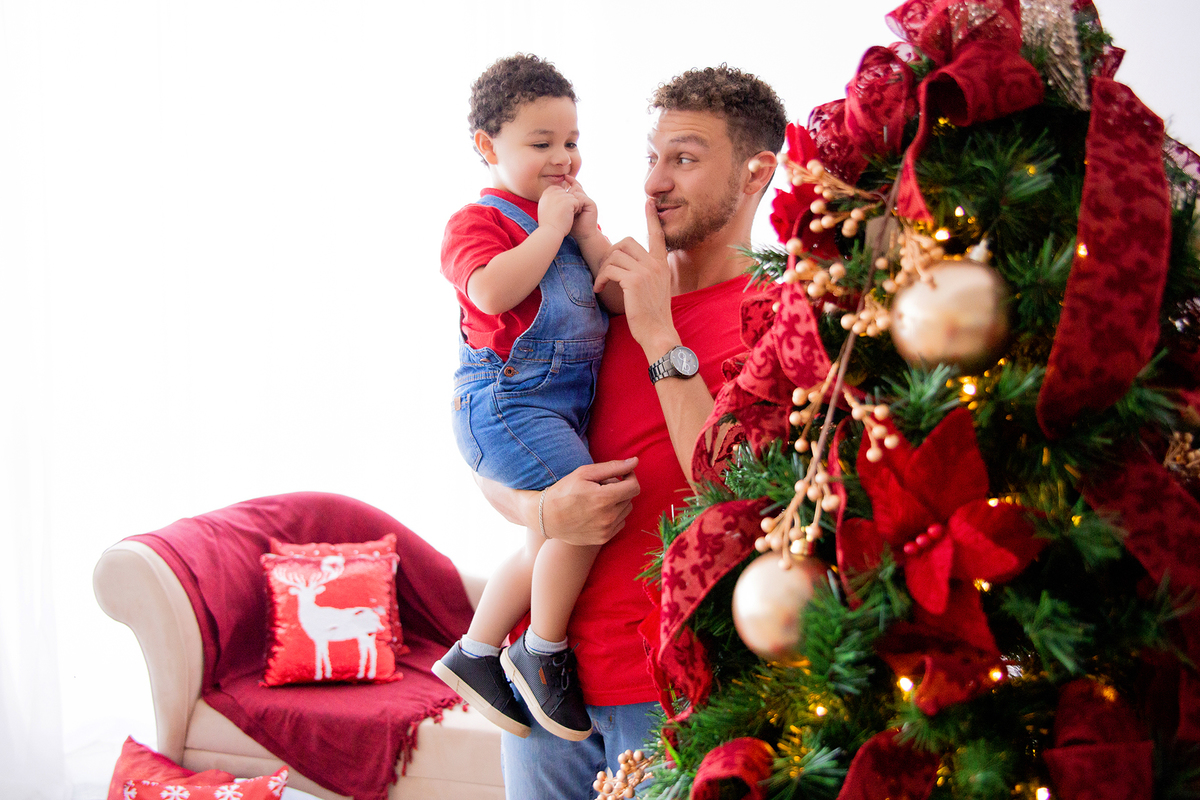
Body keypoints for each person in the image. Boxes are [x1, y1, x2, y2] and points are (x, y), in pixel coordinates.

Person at [476, 65, 787, 798]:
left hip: (674, 697)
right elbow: (500, 434)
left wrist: (656, 331)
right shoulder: (595, 294)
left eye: (683, 158)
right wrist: (540, 513)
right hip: (544, 684)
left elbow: (738, 492)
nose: (653, 184)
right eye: (651, 158)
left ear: (756, 171)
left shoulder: (782, 317)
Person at [434, 54, 627, 744]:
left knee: (550, 528)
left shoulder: (568, 223)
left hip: (552, 408)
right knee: (589, 509)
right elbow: (489, 291)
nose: (563, 158)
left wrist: (587, 234)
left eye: (571, 141)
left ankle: (477, 652)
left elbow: (615, 295)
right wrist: (547, 232)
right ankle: (541, 650)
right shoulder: (477, 221)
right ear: (488, 147)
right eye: (541, 144)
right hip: (505, 405)